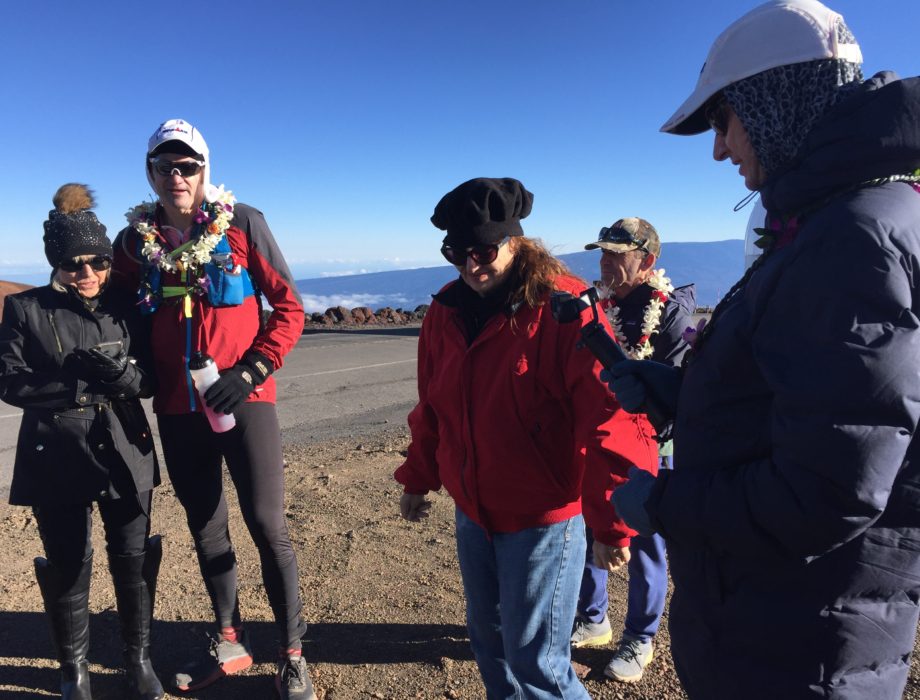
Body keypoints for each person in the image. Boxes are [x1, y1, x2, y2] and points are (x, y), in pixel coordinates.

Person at [606, 1, 920, 698]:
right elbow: (817, 403)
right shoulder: (848, 217)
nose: (720, 148)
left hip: (797, 643)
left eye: (724, 118)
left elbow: (829, 488)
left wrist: (665, 505)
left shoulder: (850, 241)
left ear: (778, 102)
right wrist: (682, 391)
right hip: (797, 625)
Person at [394, 177, 658, 699]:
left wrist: (611, 521)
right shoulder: (445, 312)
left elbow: (611, 414)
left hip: (543, 522)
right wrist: (418, 476)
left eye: (485, 250)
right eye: (456, 252)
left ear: (515, 242)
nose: (471, 265)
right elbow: (434, 405)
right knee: (491, 646)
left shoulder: (563, 308)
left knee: (538, 664)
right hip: (475, 512)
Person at [111, 119, 314, 700]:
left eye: (187, 166)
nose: (176, 176)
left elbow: (290, 308)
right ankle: (230, 641)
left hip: (243, 400)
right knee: (206, 529)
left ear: (206, 169)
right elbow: (120, 309)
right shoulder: (135, 241)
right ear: (149, 173)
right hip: (177, 407)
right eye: (163, 167)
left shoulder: (242, 220)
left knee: (268, 527)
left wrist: (251, 370)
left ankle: (293, 654)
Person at [0, 184, 163, 700]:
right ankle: (75, 669)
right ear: (56, 264)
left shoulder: (127, 305)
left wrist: (126, 380)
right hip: (56, 451)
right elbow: (9, 381)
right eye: (74, 264)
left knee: (132, 555)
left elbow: (155, 376)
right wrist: (77, 385)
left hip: (124, 445)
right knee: (69, 558)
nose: (87, 273)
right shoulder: (25, 308)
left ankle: (137, 659)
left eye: (97, 261)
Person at [571, 218, 694, 684]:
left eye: (615, 254)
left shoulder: (668, 315)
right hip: (598, 441)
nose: (604, 262)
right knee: (591, 527)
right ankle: (593, 617)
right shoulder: (598, 306)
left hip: (650, 450)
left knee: (644, 544)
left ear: (647, 262)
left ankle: (640, 637)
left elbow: (679, 395)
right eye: (602, 253)